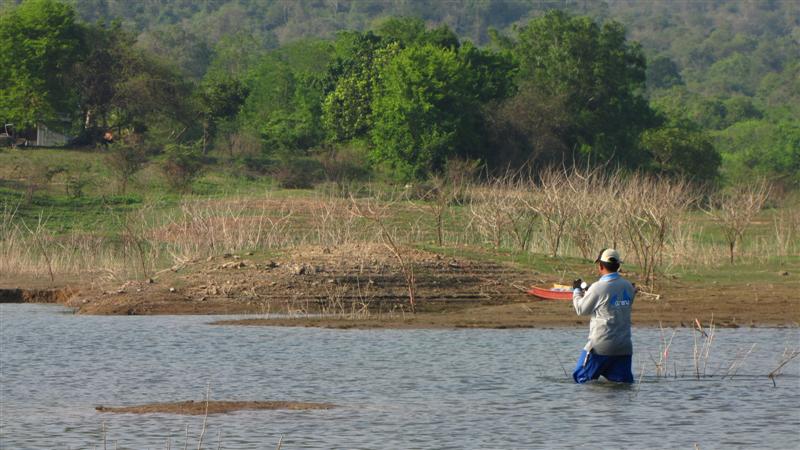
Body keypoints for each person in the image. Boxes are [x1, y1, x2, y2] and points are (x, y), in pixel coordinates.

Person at [571, 248, 635, 383]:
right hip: (624, 347)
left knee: (581, 380)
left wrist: (577, 290)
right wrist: (591, 292)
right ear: (618, 265)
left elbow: (581, 309)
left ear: (600, 266)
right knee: (622, 386)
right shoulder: (629, 286)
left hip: (600, 347)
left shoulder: (597, 287)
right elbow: (612, 301)